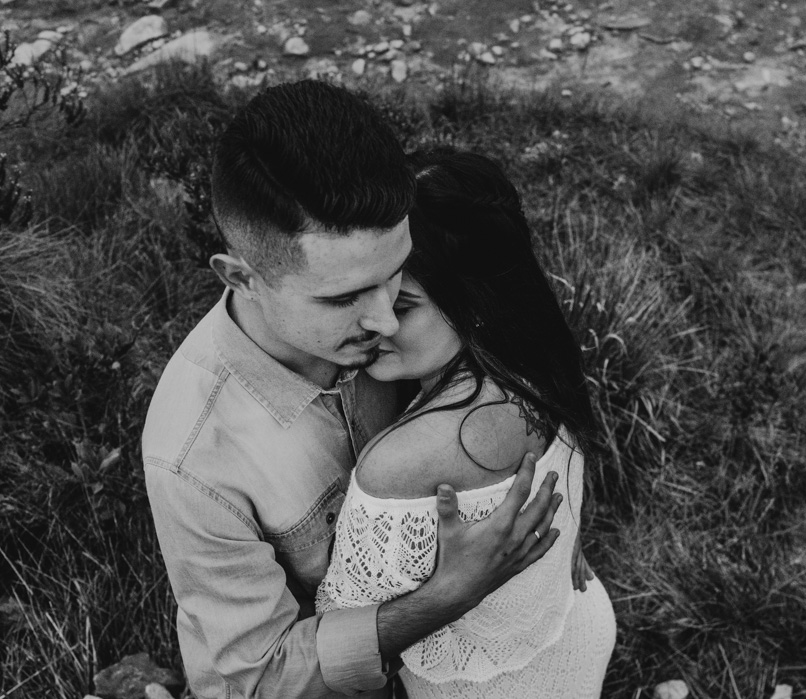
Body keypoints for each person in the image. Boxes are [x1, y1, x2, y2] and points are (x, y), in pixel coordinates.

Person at [141, 80, 562, 699]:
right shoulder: (192, 458)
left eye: (395, 275)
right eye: (344, 298)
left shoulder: (388, 314)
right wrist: (451, 593)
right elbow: (263, 678)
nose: (386, 320)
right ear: (242, 278)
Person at [316, 148, 617, 698]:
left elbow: (343, 649)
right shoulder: (541, 361)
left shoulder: (400, 463)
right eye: (360, 292)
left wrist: (450, 592)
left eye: (401, 306)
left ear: (474, 304)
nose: (374, 321)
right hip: (575, 623)